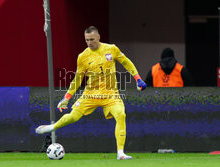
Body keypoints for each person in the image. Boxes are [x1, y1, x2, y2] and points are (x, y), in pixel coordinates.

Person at [36, 26, 147, 160]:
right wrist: (66, 98)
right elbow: (77, 79)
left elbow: (126, 62)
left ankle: (120, 153)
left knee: (121, 114)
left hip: (110, 94)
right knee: (73, 117)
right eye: (87, 40)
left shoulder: (111, 49)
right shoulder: (83, 56)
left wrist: (138, 78)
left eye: (92, 39)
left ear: (99, 37)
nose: (89, 42)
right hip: (90, 94)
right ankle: (52, 127)